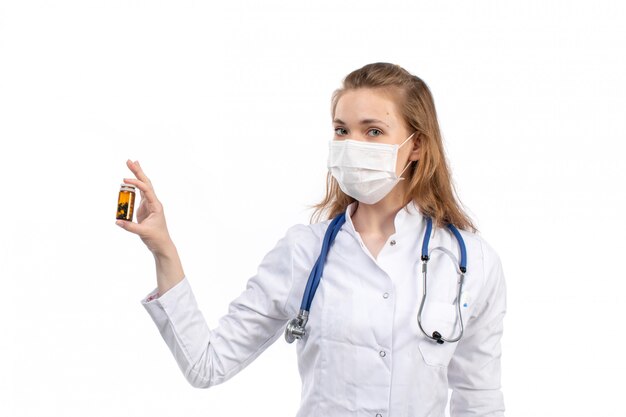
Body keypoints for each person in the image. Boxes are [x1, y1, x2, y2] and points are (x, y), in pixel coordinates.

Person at [116, 62, 506, 417]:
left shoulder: (468, 260)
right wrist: (163, 248)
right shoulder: (304, 251)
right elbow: (206, 365)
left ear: (416, 145)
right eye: (342, 130)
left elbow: (479, 400)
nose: (353, 145)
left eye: (373, 131)